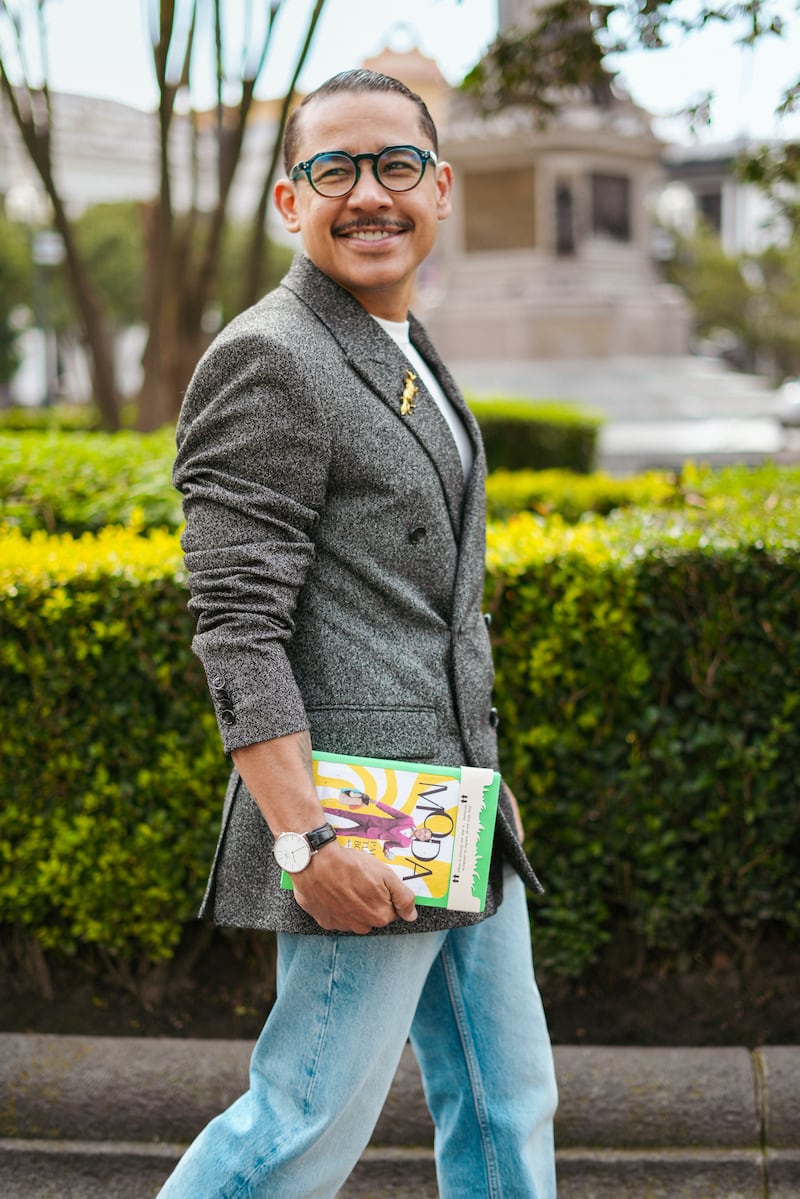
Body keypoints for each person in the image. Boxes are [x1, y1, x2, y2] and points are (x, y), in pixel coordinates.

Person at [156, 68, 558, 1199]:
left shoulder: (401, 343)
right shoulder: (271, 355)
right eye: (334, 168)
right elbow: (236, 627)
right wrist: (306, 842)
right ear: (291, 199)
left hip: (458, 808)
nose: (366, 193)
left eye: (393, 166)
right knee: (295, 1128)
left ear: (439, 190)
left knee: (505, 1108)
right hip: (361, 825)